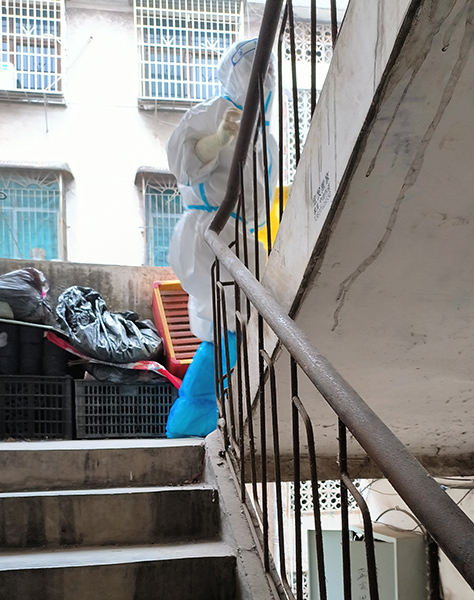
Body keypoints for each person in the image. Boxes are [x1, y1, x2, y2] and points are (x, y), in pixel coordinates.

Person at [165, 38, 277, 438]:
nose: (265, 78)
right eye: (256, 70)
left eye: (269, 71)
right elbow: (183, 163)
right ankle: (193, 418)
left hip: (237, 231)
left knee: (242, 320)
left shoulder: (263, 131)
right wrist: (217, 140)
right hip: (209, 228)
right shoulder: (212, 112)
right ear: (234, 72)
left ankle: (213, 413)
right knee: (229, 320)